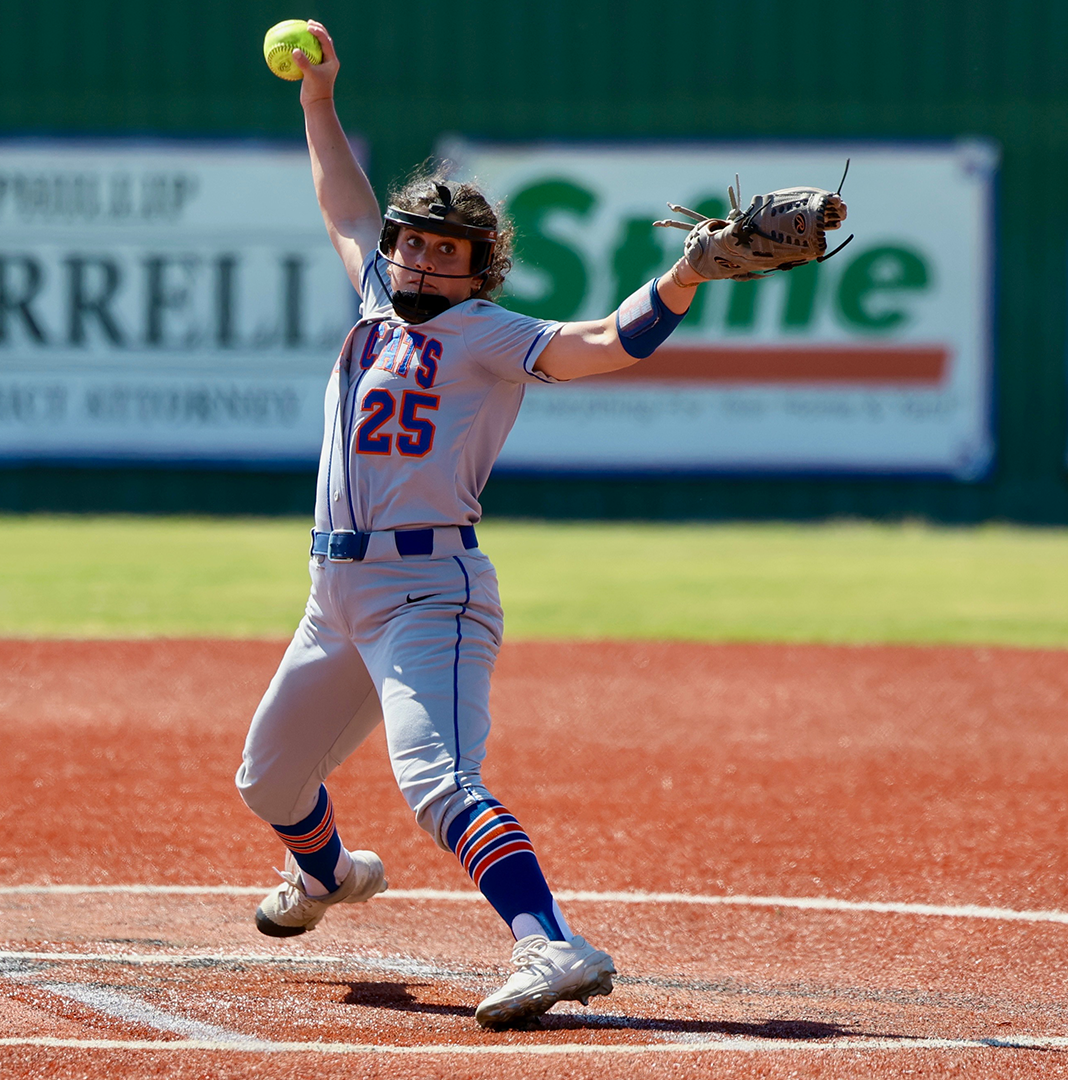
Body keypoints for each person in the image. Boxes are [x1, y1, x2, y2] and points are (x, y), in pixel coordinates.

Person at [231, 20, 843, 1030]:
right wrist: (318, 101)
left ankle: (551, 944)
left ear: (482, 272)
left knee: (439, 784)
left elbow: (607, 341)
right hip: (333, 595)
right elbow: (345, 204)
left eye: (448, 252)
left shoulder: (491, 337)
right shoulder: (378, 301)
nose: (424, 262)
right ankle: (331, 874)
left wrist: (686, 277)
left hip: (430, 596)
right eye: (413, 245)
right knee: (269, 777)